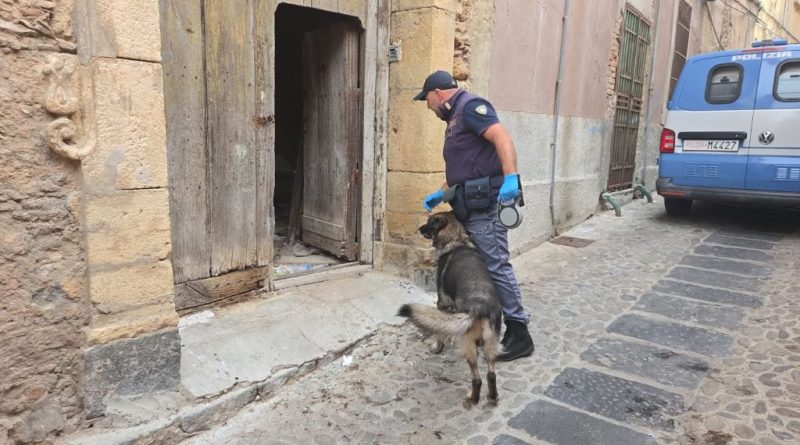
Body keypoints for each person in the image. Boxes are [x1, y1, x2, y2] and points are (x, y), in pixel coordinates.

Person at [414, 70, 534, 362]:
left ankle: (519, 332)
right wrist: (441, 193)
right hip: (467, 205)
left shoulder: (470, 107)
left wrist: (510, 179)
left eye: (427, 101)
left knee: (496, 266)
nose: (429, 108)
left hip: (485, 207)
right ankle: (487, 326)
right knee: (483, 268)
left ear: (438, 93)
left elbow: (501, 137)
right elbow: (464, 170)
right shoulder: (454, 118)